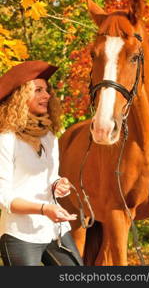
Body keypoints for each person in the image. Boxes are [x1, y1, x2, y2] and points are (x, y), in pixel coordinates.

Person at [0, 60, 83, 266]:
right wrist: (45, 209)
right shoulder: (6, 139)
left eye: (47, 90)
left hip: (55, 230)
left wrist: (57, 184)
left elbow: (50, 178)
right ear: (20, 96)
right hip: (20, 234)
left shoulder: (49, 137)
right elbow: (4, 197)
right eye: (38, 90)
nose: (47, 95)